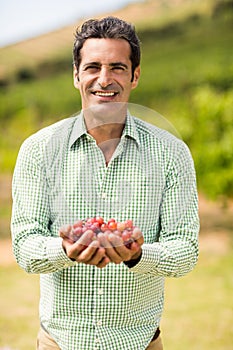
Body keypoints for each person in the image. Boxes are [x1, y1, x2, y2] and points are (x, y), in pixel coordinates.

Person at [11, 16, 199, 350]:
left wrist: (139, 255)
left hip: (139, 343)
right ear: (76, 74)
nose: (104, 79)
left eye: (117, 67)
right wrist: (65, 250)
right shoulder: (39, 151)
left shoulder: (172, 153)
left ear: (135, 75)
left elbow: (185, 250)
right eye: (93, 67)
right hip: (60, 342)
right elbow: (25, 246)